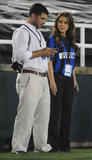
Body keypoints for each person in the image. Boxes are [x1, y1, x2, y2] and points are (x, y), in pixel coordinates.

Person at [11, 3, 56, 154]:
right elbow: (19, 55)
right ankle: (19, 147)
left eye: (45, 19)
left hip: (42, 77)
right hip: (29, 75)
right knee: (26, 113)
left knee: (43, 115)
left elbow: (40, 55)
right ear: (33, 16)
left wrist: (47, 53)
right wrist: (42, 52)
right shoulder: (22, 32)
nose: (44, 21)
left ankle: (41, 146)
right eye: (42, 18)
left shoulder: (38, 33)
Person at [48, 12, 79, 152]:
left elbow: (71, 64)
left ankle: (64, 145)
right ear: (57, 23)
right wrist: (52, 82)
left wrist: (75, 81)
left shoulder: (72, 42)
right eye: (60, 22)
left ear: (69, 25)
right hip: (57, 78)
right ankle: (53, 145)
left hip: (68, 81)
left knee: (67, 113)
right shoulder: (52, 39)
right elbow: (49, 62)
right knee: (55, 113)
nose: (62, 25)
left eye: (65, 22)